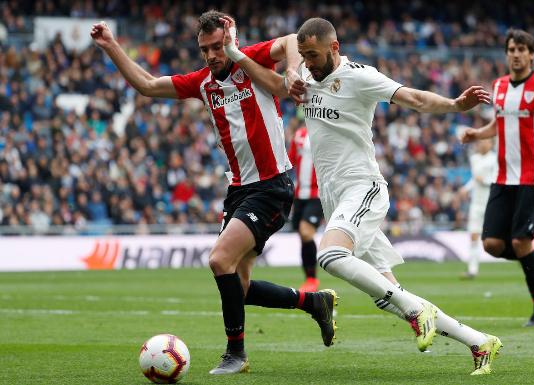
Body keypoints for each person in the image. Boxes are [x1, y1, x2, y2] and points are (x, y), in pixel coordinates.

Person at [221, 16, 502, 375]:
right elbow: (277, 84)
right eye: (303, 55)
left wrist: (455, 105)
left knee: (330, 255)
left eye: (313, 55)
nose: (307, 62)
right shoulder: (306, 75)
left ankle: (420, 311)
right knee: (388, 295)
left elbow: (412, 97)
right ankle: (479, 342)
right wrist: (235, 53)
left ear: (334, 48)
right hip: (334, 197)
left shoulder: (359, 76)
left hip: (363, 187)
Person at [91, 11, 338, 376]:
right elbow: (146, 84)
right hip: (238, 189)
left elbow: (289, 40)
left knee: (219, 259)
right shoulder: (202, 82)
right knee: (240, 285)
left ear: (230, 41)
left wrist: (292, 70)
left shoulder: (250, 60)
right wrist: (111, 46)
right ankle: (313, 302)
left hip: (271, 185)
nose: (210, 55)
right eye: (204, 49)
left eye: (217, 46)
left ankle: (235, 354)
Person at [460, 28, 534, 327]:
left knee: (520, 242)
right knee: (491, 245)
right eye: (511, 49)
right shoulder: (499, 86)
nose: (515, 54)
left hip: (532, 177)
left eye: (521, 49)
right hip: (503, 178)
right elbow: (498, 125)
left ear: (531, 54)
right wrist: (478, 134)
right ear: (507, 53)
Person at [288, 124, 324, 291]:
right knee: (303, 236)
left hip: (317, 194)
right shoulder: (299, 134)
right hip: (299, 194)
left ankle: (312, 279)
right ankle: (309, 278)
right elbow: (291, 160)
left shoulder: (326, 130)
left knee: (305, 231)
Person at [459, 138, 497, 279]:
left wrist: (485, 180)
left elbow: (497, 179)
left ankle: (521, 257)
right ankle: (472, 270)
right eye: (480, 142)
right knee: (474, 236)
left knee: (497, 237)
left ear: (491, 144)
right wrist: (465, 189)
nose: (481, 143)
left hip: (491, 203)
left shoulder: (495, 159)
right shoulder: (474, 158)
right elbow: (475, 179)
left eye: (485, 141)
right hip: (476, 204)